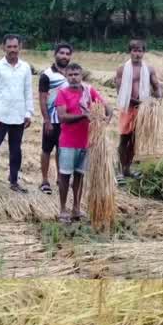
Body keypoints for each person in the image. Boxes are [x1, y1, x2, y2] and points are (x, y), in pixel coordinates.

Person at [55, 63, 111, 223]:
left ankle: (76, 209)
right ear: (66, 76)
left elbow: (105, 106)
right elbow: (62, 117)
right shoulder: (62, 93)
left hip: (86, 141)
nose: (73, 78)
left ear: (81, 76)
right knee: (65, 176)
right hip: (68, 142)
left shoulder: (89, 91)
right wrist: (83, 116)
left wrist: (108, 117)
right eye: (70, 75)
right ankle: (63, 209)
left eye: (76, 75)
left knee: (80, 176)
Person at [0, 34, 34, 195]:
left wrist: (28, 113)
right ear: (3, 47)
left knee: (16, 151)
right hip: (0, 117)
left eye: (15, 46)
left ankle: (14, 181)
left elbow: (28, 91)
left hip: (18, 116)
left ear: (20, 47)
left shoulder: (25, 67)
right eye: (9, 47)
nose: (12, 50)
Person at [115, 39, 162, 184]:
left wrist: (157, 100)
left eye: (140, 51)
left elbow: (156, 86)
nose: (137, 54)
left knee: (135, 140)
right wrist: (137, 102)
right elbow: (120, 92)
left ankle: (127, 169)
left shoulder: (149, 69)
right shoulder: (122, 69)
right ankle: (120, 170)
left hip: (142, 110)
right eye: (134, 50)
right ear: (130, 52)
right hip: (127, 107)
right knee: (124, 139)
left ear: (144, 52)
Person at [38, 42, 73, 195]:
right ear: (55, 54)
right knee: (46, 150)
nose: (64, 56)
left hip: (67, 120)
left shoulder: (73, 73)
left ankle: (60, 178)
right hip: (52, 119)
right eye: (62, 53)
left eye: (67, 54)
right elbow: (42, 99)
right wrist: (46, 120)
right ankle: (45, 180)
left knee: (62, 150)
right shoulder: (46, 75)